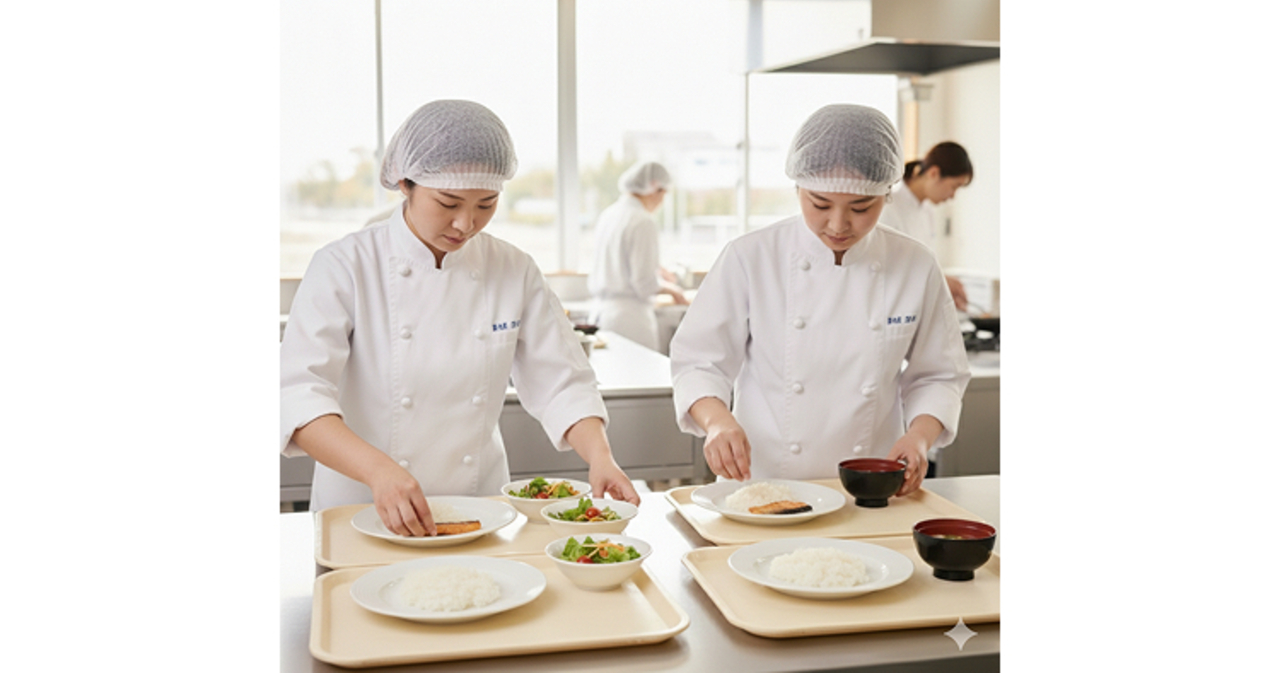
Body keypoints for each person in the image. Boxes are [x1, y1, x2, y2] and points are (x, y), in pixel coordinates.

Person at [280, 100, 640, 537]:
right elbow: (298, 394)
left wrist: (600, 458)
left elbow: (563, 379)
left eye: (486, 205)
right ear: (405, 183)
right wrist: (378, 471)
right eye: (448, 202)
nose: (466, 223)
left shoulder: (513, 268)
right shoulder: (344, 265)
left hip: (477, 509)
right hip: (361, 507)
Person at [669, 104, 971, 498]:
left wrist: (918, 437)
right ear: (798, 188)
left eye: (862, 208)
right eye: (820, 204)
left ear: (887, 194)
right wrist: (716, 421)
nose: (839, 225)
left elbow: (939, 374)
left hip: (871, 488)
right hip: (762, 486)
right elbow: (697, 360)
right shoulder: (750, 257)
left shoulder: (915, 264)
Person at [587, 160, 688, 350]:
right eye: (663, 194)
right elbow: (644, 284)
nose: (662, 201)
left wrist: (656, 268)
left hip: (602, 315)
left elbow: (619, 259)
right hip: (630, 322)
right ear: (654, 189)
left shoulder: (609, 215)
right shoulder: (643, 221)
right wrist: (673, 290)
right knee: (640, 378)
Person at [877, 141, 974, 311]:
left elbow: (922, 262)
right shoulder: (888, 207)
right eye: (954, 187)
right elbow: (886, 269)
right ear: (934, 173)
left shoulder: (926, 210)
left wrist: (942, 285)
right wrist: (940, 281)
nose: (952, 196)